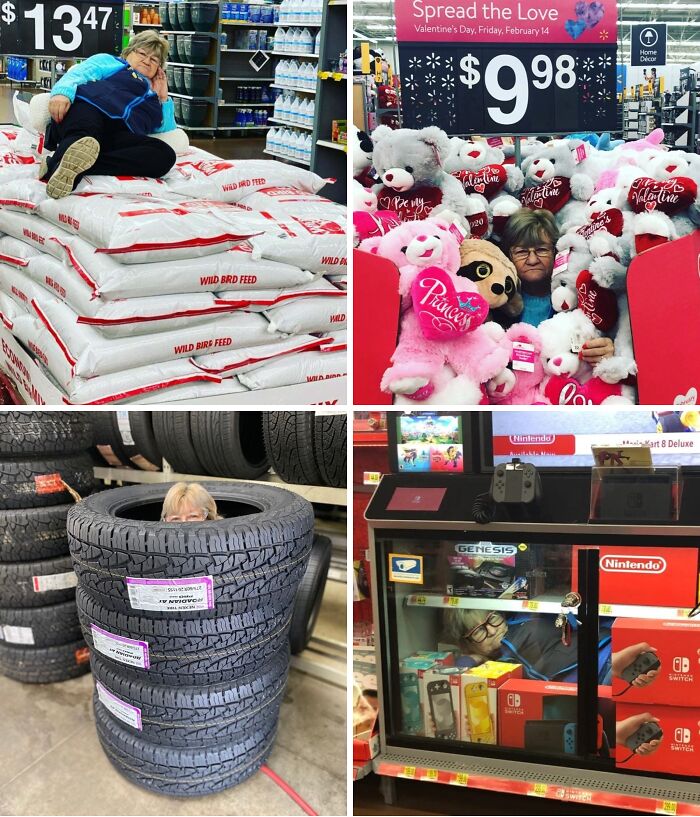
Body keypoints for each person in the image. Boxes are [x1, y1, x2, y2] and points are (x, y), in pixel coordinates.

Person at [41, 31, 177, 199]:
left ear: (159, 68)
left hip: (117, 135)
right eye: (142, 53)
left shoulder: (152, 97)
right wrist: (62, 93)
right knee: (85, 133)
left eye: (154, 60)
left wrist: (163, 97)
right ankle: (62, 171)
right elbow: (78, 74)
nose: (147, 61)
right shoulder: (112, 62)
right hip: (89, 109)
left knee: (164, 155)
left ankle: (64, 163)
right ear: (129, 52)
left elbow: (165, 128)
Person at [500, 208, 614, 367]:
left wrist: (606, 348)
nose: (532, 260)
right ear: (509, 256)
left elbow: (602, 337)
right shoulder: (499, 303)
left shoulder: (577, 296)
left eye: (541, 250)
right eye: (521, 252)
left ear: (556, 252)